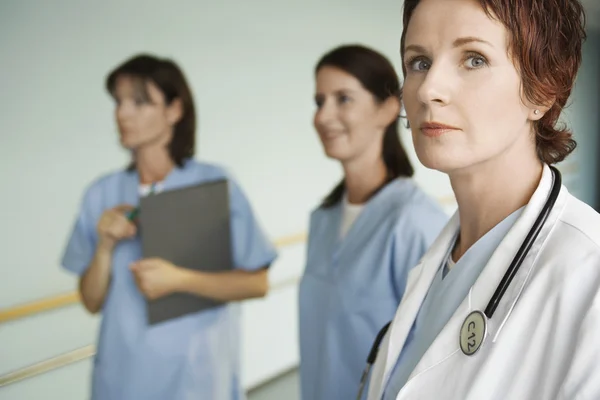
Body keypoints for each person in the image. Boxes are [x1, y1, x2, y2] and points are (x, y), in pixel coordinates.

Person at [366, 0, 600, 399]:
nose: (429, 89)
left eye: (473, 59)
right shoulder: (437, 262)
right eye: (418, 62)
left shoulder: (589, 276)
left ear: (541, 91)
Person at [61, 54, 277, 400]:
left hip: (198, 378)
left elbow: (258, 284)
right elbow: (91, 301)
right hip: (123, 378)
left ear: (175, 110)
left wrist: (179, 279)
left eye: (139, 102)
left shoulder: (215, 183)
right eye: (118, 102)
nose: (122, 113)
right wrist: (104, 247)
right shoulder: (101, 193)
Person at [298, 44, 447, 400]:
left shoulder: (414, 222)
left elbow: (435, 359)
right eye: (320, 101)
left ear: (387, 109)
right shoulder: (322, 220)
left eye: (343, 99)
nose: (323, 115)